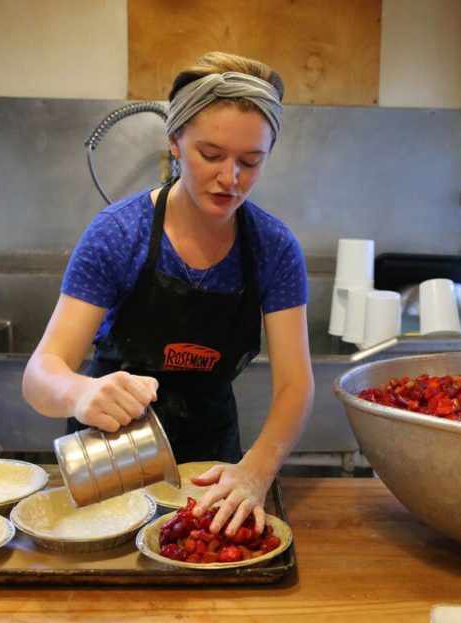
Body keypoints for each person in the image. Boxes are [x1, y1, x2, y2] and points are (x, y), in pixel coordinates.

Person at [22, 52, 314, 538]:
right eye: (211, 155)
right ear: (175, 142)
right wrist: (80, 392)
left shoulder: (273, 248)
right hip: (109, 465)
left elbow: (295, 387)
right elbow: (40, 375)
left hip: (213, 477)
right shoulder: (118, 234)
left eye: (250, 161)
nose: (231, 178)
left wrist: (256, 471)